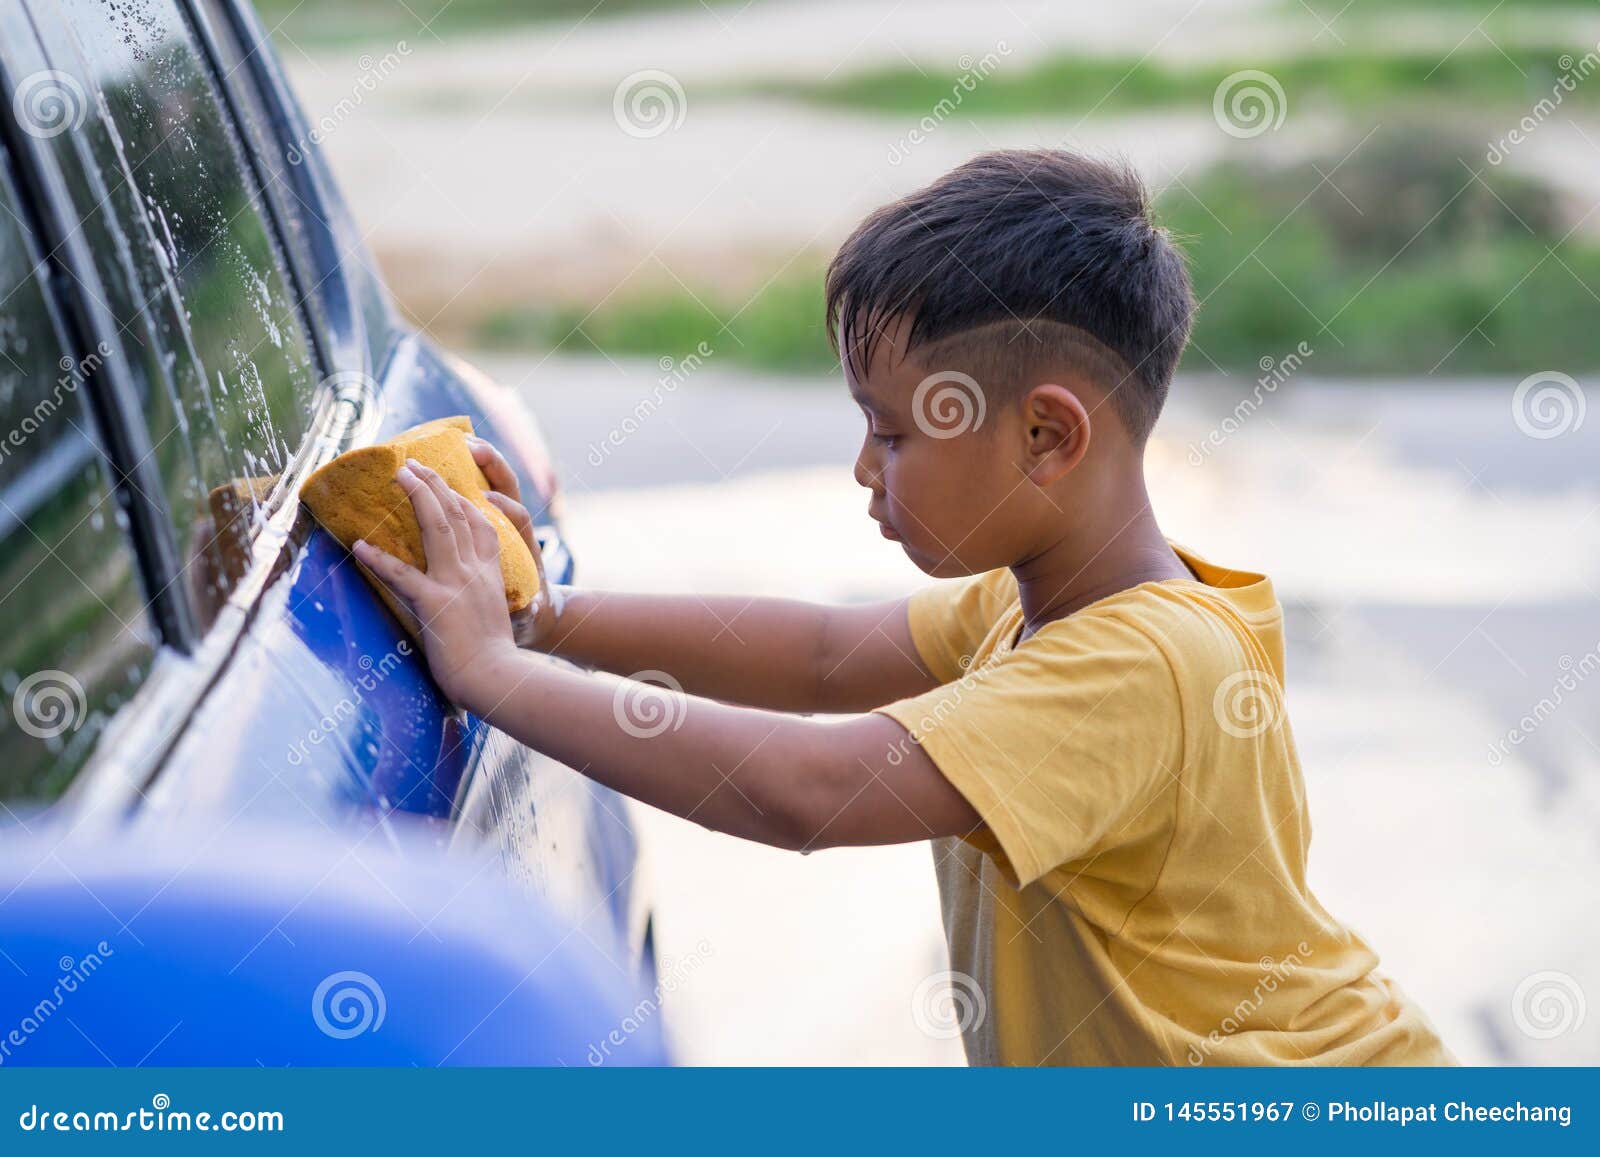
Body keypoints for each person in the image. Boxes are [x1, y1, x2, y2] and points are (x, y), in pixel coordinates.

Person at [351, 148, 1453, 1066]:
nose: (863, 468)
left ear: (1046, 437)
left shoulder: (1138, 665)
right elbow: (824, 657)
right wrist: (542, 613)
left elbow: (810, 790)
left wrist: (492, 673)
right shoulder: (1032, 606)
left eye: (894, 433)